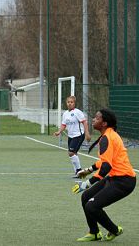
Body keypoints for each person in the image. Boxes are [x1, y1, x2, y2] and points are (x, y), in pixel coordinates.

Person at [72, 108, 136, 242]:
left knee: (91, 206)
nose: (94, 119)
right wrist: (89, 170)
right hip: (116, 178)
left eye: (97, 118)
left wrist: (87, 183)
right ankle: (94, 233)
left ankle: (114, 230)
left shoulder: (107, 137)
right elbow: (105, 161)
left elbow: (106, 166)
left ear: (104, 123)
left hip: (124, 181)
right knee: (86, 197)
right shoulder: (108, 134)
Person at [54, 96, 90, 177]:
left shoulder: (77, 112)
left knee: (71, 153)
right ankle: (77, 173)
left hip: (78, 135)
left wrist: (87, 133)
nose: (70, 103)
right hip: (71, 136)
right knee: (73, 153)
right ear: (66, 103)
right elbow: (64, 124)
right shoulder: (65, 114)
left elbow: (84, 122)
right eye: (68, 102)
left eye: (71, 102)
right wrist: (59, 132)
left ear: (74, 103)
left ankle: (79, 170)